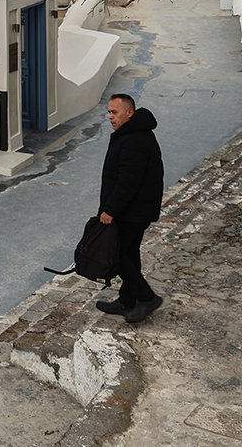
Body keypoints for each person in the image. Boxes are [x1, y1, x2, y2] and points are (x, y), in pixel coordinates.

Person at [95, 93, 165, 323]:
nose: (110, 116)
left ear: (129, 112)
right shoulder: (131, 134)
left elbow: (128, 182)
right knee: (130, 253)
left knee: (115, 255)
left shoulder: (134, 140)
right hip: (135, 209)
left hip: (131, 211)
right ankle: (127, 300)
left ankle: (146, 298)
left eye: (114, 112)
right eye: (109, 112)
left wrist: (110, 210)